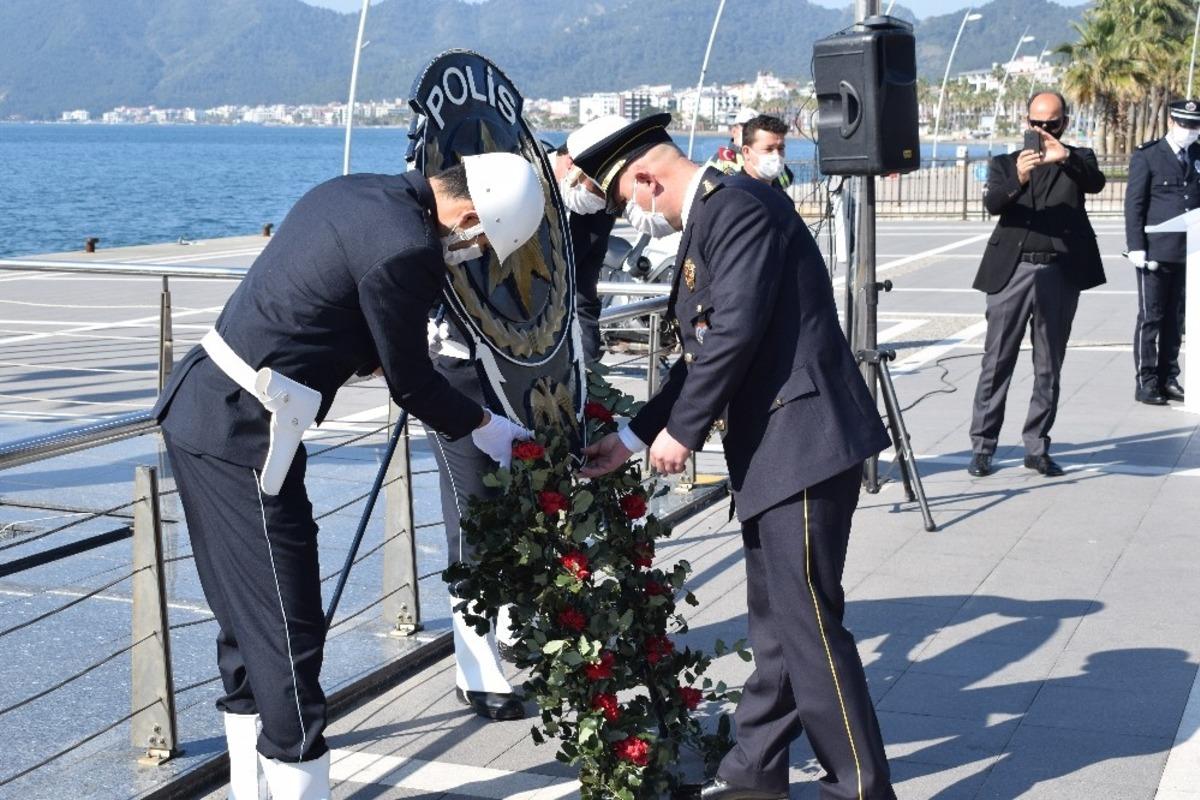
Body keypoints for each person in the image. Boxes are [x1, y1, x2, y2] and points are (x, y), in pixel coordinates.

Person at [154, 153, 543, 800]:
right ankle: (296, 780)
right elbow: (414, 383)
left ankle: (253, 790)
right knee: (289, 631)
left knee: (247, 622)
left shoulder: (359, 191)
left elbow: (324, 302)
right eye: (477, 245)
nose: (469, 255)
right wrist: (489, 428)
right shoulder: (408, 246)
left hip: (207, 409)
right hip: (246, 430)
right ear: (469, 217)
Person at [575, 114, 895, 800]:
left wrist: (682, 433)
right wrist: (633, 436)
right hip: (777, 446)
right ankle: (753, 774)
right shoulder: (715, 216)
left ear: (647, 177)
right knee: (776, 624)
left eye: (629, 200)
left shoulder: (739, 209)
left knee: (807, 624)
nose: (633, 215)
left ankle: (861, 788)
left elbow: (736, 330)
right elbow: (701, 354)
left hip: (801, 439)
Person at [428, 116, 629, 723]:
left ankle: (514, 618)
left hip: (539, 373)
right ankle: (473, 661)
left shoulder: (590, 208)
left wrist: (580, 369)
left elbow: (577, 293)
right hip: (461, 375)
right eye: (595, 180)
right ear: (567, 162)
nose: (600, 196)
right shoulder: (498, 180)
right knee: (471, 514)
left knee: (530, 502)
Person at [967, 91, 1106, 479]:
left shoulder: (1079, 159)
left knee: (1048, 364)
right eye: (1037, 124)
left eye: (1052, 124)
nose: (1043, 131)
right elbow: (994, 203)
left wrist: (1069, 158)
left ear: (1065, 123)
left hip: (1060, 272)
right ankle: (982, 447)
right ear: (1026, 122)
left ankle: (1037, 446)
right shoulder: (1003, 163)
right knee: (996, 362)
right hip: (1011, 271)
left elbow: (1095, 183)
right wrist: (1020, 177)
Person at [1124, 99, 1199, 405]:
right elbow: (1134, 205)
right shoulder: (1149, 155)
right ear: (1171, 122)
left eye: (1195, 126)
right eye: (1185, 124)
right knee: (1151, 318)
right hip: (1155, 252)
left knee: (1175, 319)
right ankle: (1146, 381)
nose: (1190, 131)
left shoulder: (1198, 153)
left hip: (1190, 252)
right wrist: (1136, 247)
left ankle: (1169, 377)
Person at [551, 114, 629, 364]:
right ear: (572, 164)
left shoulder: (599, 210)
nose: (600, 199)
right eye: (597, 189)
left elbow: (583, 293)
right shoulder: (519, 179)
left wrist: (588, 364)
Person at [739, 114, 794, 192]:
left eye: (780, 148)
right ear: (746, 152)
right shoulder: (737, 194)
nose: (777, 155)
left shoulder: (780, 194)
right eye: (768, 149)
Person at [708, 106, 758, 175]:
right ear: (734, 131)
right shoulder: (720, 158)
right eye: (746, 127)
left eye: (755, 129)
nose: (751, 132)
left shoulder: (763, 159)